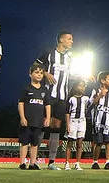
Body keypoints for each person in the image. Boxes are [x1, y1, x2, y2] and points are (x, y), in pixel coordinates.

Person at [36, 31, 74, 170]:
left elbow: (70, 75)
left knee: (56, 126)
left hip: (62, 96)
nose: (72, 41)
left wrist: (85, 77)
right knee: (42, 123)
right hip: (48, 94)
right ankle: (33, 159)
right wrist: (45, 73)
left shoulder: (70, 57)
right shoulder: (49, 53)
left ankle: (51, 162)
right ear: (61, 40)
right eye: (69, 39)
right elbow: (35, 66)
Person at [18, 63, 50, 170]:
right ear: (30, 74)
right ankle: (22, 163)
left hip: (38, 121)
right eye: (36, 72)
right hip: (27, 121)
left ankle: (32, 163)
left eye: (41, 73)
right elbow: (21, 103)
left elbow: (47, 105)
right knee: (24, 142)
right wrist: (22, 117)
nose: (39, 75)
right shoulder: (26, 89)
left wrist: (48, 118)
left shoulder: (44, 90)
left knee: (35, 143)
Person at [90, 70, 109, 169]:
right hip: (98, 120)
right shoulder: (95, 90)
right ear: (103, 80)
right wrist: (100, 95)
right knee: (98, 142)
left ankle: (108, 162)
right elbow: (91, 103)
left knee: (108, 141)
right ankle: (95, 162)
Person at [64, 79, 90, 170]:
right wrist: (67, 124)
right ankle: (67, 163)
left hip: (82, 121)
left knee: (80, 142)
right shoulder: (71, 99)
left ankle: (77, 163)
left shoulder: (86, 99)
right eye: (80, 85)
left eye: (83, 86)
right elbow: (67, 112)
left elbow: (93, 103)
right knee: (70, 142)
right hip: (73, 121)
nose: (82, 88)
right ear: (75, 87)